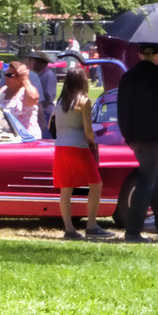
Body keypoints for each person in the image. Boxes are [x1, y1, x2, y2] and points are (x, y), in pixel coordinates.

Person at [114, 41, 158, 243]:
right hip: (154, 135)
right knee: (146, 180)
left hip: (134, 136)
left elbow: (121, 110)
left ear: (140, 54)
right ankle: (132, 232)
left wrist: (127, 136)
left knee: (153, 178)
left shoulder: (127, 77)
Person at [53, 67, 113, 239]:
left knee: (66, 189)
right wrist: (93, 141)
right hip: (78, 146)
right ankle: (92, 225)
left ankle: (69, 229)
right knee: (96, 184)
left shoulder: (60, 101)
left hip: (61, 146)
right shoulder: (83, 101)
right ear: (83, 81)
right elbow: (87, 130)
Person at [0, 60, 41, 141]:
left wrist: (25, 78)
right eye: (5, 74)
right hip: (6, 138)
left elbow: (34, 98)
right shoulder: (1, 91)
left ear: (20, 77)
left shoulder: (26, 92)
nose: (6, 77)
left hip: (27, 139)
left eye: (10, 75)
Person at [24, 52, 58, 137]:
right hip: (41, 110)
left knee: (45, 136)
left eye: (34, 61)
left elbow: (49, 94)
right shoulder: (40, 74)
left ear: (40, 62)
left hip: (46, 112)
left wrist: (37, 94)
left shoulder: (48, 75)